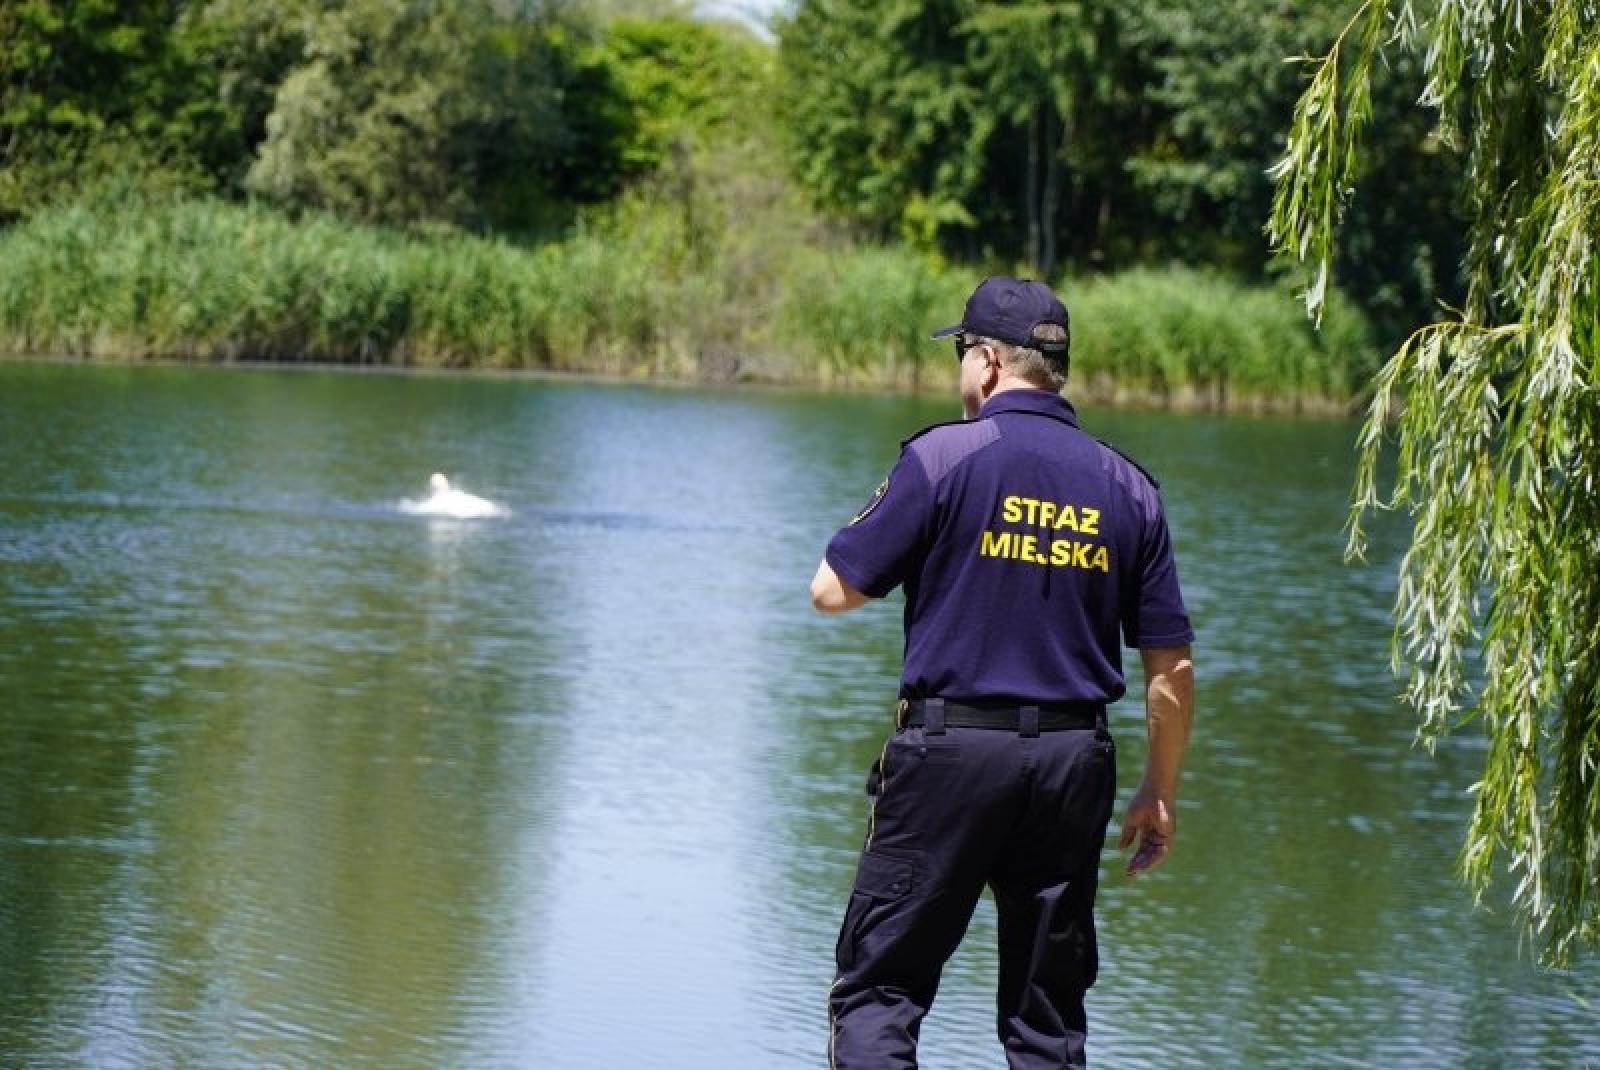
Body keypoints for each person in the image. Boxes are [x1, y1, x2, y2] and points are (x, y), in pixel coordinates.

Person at [810, 276, 1195, 1069]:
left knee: (880, 995)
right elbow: (1170, 665)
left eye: (961, 353)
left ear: (987, 362)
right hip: (1070, 767)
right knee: (1045, 1020)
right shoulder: (1129, 487)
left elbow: (832, 591)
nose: (959, 373)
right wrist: (1159, 789)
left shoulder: (944, 456)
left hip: (948, 756)